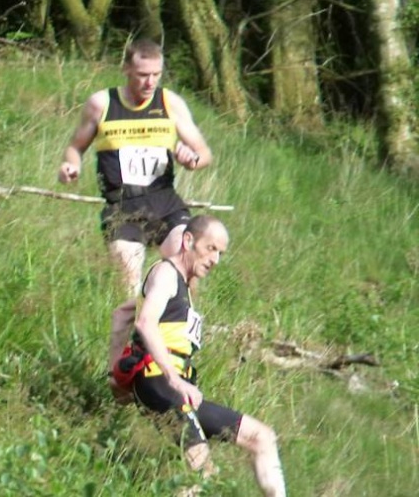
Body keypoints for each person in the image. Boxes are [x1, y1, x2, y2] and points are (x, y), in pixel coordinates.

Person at [56, 38, 212, 401]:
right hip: (122, 207)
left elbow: (204, 152)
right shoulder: (102, 104)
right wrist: (70, 166)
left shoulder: (170, 103)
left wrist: (192, 159)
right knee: (131, 288)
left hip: (165, 203)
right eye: (142, 74)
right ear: (126, 68)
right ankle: (120, 374)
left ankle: (177, 352)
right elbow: (75, 146)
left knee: (186, 266)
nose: (149, 82)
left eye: (156, 74)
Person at [112, 216, 286, 497]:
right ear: (188, 241)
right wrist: (173, 380)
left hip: (175, 388)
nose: (215, 259)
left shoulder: (183, 286)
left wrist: (114, 375)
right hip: (159, 382)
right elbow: (145, 322)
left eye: (221, 253)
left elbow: (121, 315)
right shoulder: (166, 274)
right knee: (203, 473)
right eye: (211, 248)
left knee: (262, 438)